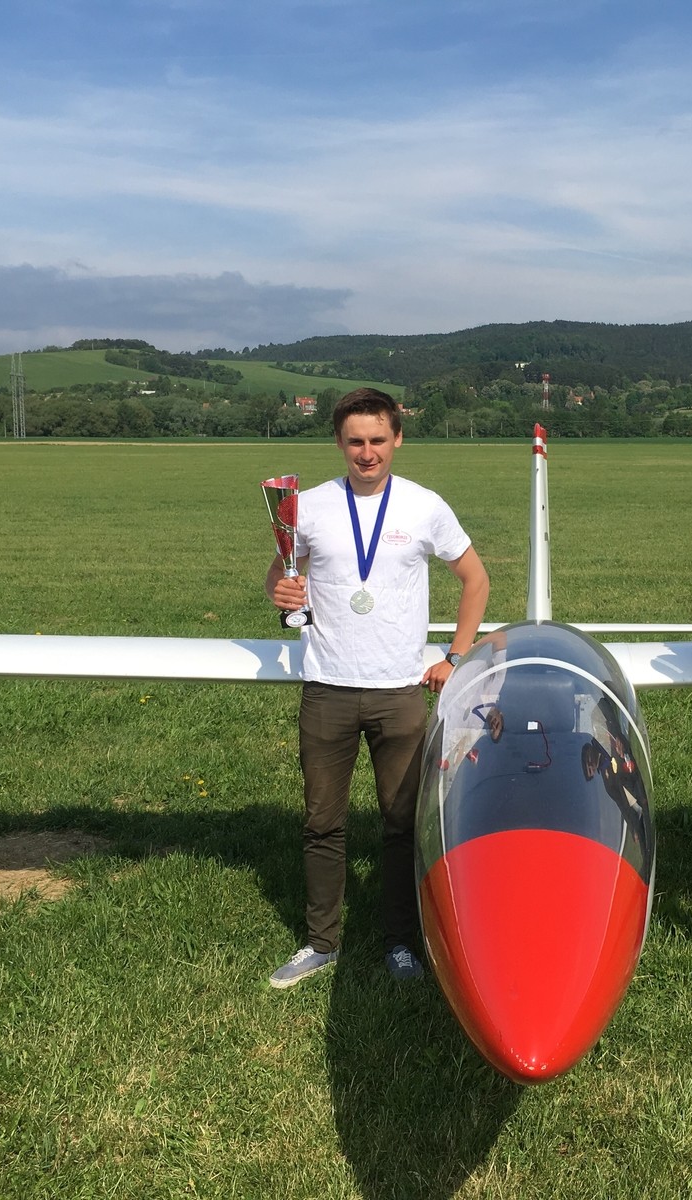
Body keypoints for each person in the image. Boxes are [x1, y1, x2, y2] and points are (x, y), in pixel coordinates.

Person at [266, 388, 489, 988]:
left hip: (399, 693)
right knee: (322, 822)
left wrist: (456, 656)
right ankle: (321, 943)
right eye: (356, 441)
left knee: (401, 824)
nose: (368, 453)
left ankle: (400, 941)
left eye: (378, 440)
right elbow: (281, 575)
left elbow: (475, 579)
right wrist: (280, 590)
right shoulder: (309, 507)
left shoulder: (424, 506)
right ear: (339, 443)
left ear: (397, 440)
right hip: (328, 688)